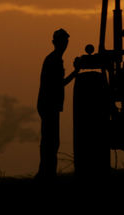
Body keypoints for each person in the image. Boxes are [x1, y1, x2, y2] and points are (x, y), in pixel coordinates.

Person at [36, 28, 78, 180]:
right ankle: (46, 173)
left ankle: (46, 172)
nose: (64, 44)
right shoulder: (53, 60)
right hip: (49, 104)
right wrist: (76, 72)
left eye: (66, 41)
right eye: (62, 41)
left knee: (51, 140)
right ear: (55, 43)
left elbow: (60, 84)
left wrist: (75, 72)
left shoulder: (55, 59)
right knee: (50, 141)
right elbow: (59, 84)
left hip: (49, 104)